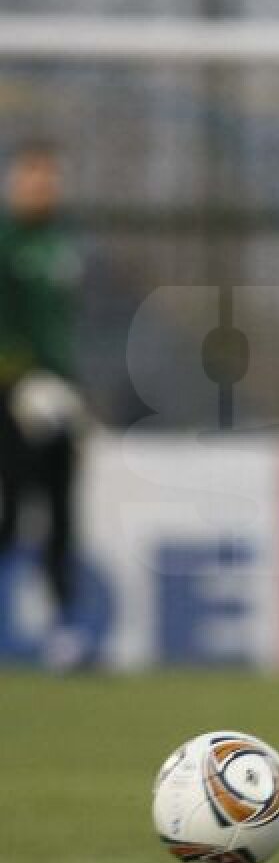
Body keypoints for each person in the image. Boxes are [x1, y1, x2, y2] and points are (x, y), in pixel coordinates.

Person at [0, 140, 88, 669]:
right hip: (11, 397)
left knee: (62, 513)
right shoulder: (6, 242)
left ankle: (65, 633)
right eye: (32, 176)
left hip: (58, 395)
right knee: (10, 511)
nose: (41, 186)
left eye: (48, 177)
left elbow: (60, 329)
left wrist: (66, 388)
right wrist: (17, 379)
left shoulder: (62, 245)